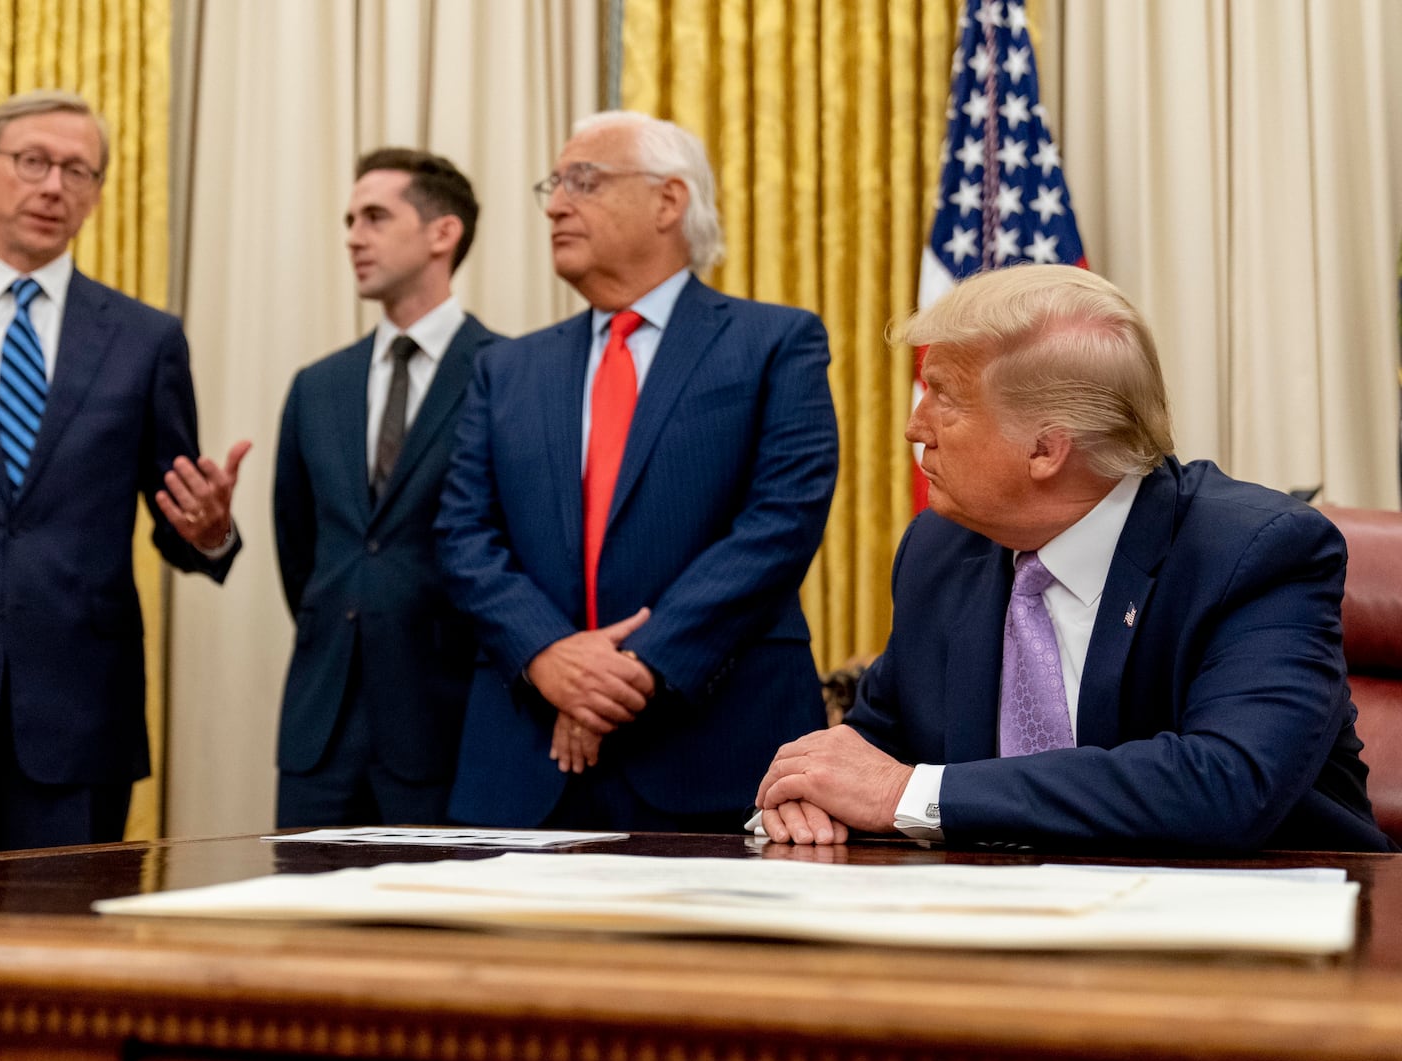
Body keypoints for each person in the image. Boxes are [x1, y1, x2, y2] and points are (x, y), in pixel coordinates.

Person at [755, 264, 1396, 853]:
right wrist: (811, 793)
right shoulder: (939, 550)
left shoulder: (1255, 552)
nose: (915, 427)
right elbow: (872, 746)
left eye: (943, 396)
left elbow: (1225, 782)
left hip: (1268, 940)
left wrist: (905, 795)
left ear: (1046, 450)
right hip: (994, 933)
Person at [0, 90, 249, 860]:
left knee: (69, 959)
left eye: (77, 170)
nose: (53, 186)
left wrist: (211, 533)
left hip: (80, 705)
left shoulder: (146, 340)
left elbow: (177, 518)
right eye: (33, 161)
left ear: (96, 194)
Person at [436, 111, 838, 832]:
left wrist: (630, 671)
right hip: (524, 761)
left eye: (583, 181)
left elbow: (780, 523)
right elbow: (464, 534)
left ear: (669, 200)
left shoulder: (777, 342)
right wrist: (549, 655)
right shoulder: (505, 368)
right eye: (553, 185)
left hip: (712, 748)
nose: (557, 203)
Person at [273, 148, 498, 828]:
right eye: (348, 219)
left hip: (447, 722)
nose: (352, 236)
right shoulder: (318, 385)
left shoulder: (509, 373)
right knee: (303, 925)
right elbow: (300, 549)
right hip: (321, 731)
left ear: (442, 233)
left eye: (374, 216)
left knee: (432, 931)